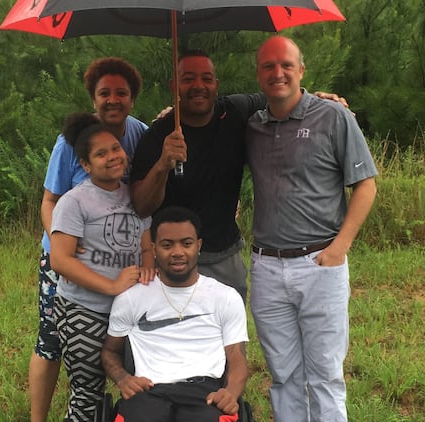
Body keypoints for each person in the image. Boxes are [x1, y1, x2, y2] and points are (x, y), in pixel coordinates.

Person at [130, 50, 347, 301]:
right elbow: (142, 205)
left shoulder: (235, 111)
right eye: (188, 79)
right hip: (171, 259)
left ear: (216, 85)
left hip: (224, 255)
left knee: (229, 334)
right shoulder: (158, 136)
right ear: (174, 86)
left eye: (207, 78)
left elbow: (283, 96)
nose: (198, 86)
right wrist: (163, 164)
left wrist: (318, 100)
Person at [245, 36, 378, 422]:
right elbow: (204, 119)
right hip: (266, 268)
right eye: (268, 66)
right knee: (284, 374)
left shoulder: (335, 118)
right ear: (259, 75)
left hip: (320, 262)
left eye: (286, 64)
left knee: (324, 374)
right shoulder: (251, 126)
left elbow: (366, 184)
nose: (277, 73)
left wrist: (340, 248)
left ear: (301, 70)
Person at [29, 57, 147, 422]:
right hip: (67, 259)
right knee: (51, 342)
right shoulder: (70, 144)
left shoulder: (141, 136)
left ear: (132, 98)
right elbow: (50, 199)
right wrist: (65, 248)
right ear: (93, 98)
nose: (113, 100)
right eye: (104, 93)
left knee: (112, 355)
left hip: (122, 268)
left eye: (121, 93)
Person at [49, 112, 156, 422]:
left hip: (129, 314)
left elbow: (145, 242)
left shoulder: (134, 195)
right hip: (84, 310)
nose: (113, 157)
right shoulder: (74, 201)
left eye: (115, 148)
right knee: (87, 397)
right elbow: (60, 260)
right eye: (101, 153)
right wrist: (110, 286)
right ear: (85, 164)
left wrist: (148, 263)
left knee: (140, 388)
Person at [102, 206, 249, 422]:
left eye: (186, 243)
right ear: (154, 249)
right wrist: (123, 378)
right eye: (167, 245)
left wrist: (230, 393)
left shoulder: (225, 297)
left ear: (198, 246)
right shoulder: (131, 298)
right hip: (149, 390)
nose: (177, 252)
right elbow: (110, 351)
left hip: (205, 393)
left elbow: (238, 360)